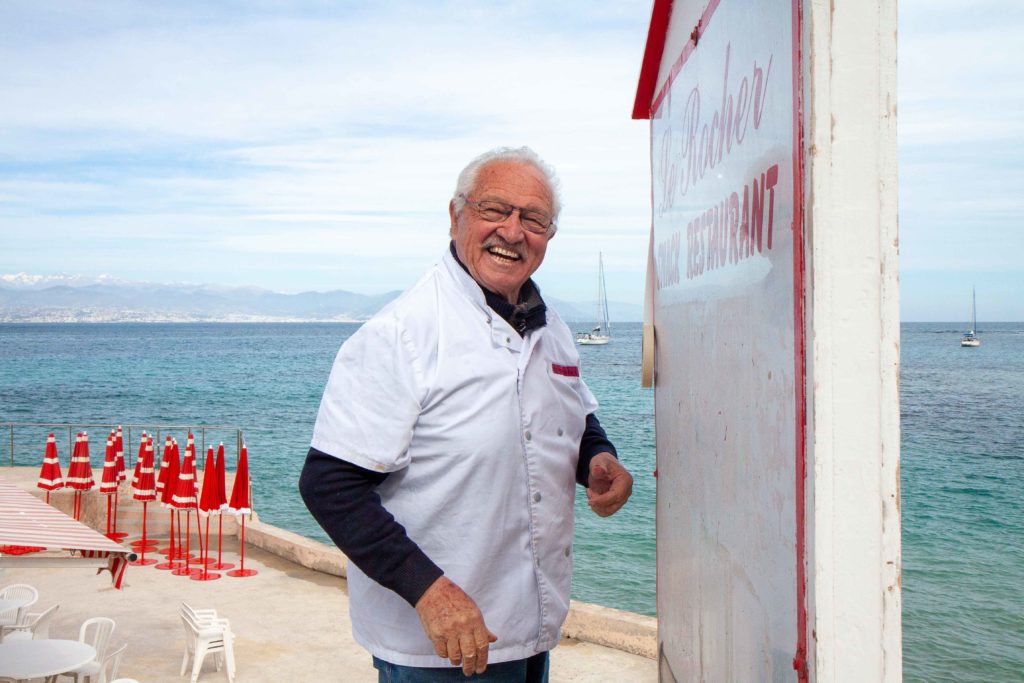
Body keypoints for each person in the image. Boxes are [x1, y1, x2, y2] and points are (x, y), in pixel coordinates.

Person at [299, 146, 633, 682]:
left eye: (534, 219)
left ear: (549, 235)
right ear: (456, 216)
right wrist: (428, 591)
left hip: (529, 631)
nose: (513, 231)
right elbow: (329, 485)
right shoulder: (402, 334)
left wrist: (597, 458)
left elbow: (573, 416)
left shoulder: (552, 329)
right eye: (494, 209)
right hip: (436, 646)